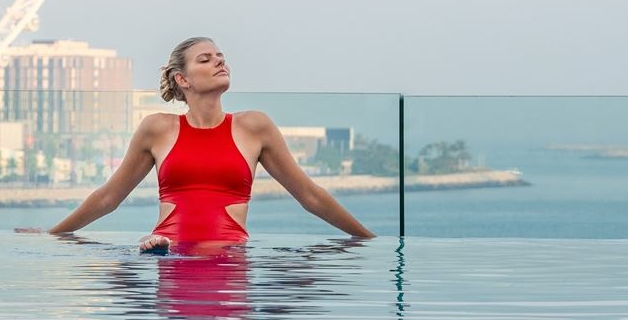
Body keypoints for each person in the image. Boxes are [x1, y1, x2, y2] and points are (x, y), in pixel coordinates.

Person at [21, 37, 374, 251]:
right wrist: (53, 233)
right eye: (205, 59)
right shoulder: (156, 128)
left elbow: (310, 196)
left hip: (230, 255)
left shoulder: (255, 127)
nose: (219, 60)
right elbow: (109, 196)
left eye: (220, 56)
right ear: (183, 79)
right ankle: (155, 251)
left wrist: (370, 238)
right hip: (166, 249)